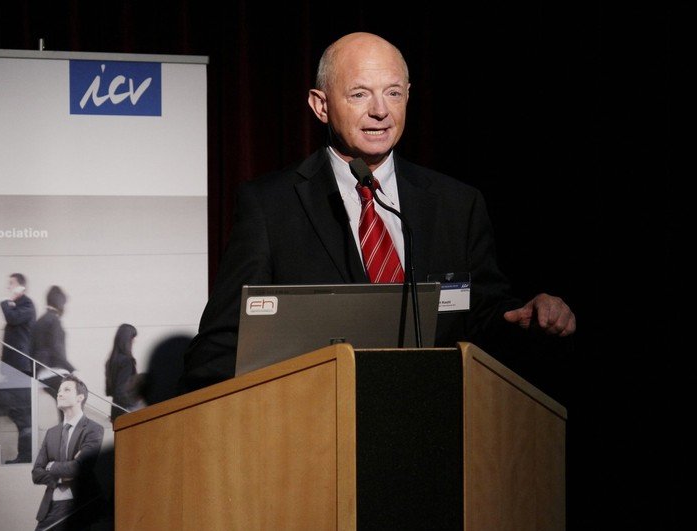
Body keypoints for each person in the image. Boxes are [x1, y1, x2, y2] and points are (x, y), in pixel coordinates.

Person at [182, 32, 576, 393]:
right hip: (315, 424)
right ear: (320, 105)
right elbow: (220, 348)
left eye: (393, 93)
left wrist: (527, 317)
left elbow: (483, 316)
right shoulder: (270, 206)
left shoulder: (458, 204)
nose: (380, 111)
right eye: (359, 94)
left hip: (433, 417)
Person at [31, 374, 105, 531]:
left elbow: (80, 468)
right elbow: (36, 473)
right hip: (51, 506)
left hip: (78, 505)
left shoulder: (93, 429)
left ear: (80, 398)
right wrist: (61, 476)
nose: (59, 394)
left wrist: (51, 466)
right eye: (59, 391)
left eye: (66, 390)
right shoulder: (51, 433)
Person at [0, 273, 37, 463]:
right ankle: (24, 454)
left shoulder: (27, 305)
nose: (8, 287)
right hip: (14, 367)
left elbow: (12, 318)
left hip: (21, 368)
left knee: (22, 413)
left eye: (11, 283)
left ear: (22, 286)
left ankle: (26, 455)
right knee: (17, 411)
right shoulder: (19, 306)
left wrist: (6, 302)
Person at [30, 285, 74, 407]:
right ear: (59, 303)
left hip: (42, 373)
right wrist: (71, 369)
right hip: (54, 371)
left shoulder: (40, 321)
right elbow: (56, 348)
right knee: (71, 405)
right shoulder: (54, 320)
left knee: (65, 406)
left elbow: (32, 347)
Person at [104, 323, 140, 422]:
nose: (134, 341)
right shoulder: (126, 361)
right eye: (133, 338)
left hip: (115, 410)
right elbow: (120, 391)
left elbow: (109, 390)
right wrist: (136, 404)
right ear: (127, 340)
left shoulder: (110, 361)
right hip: (126, 411)